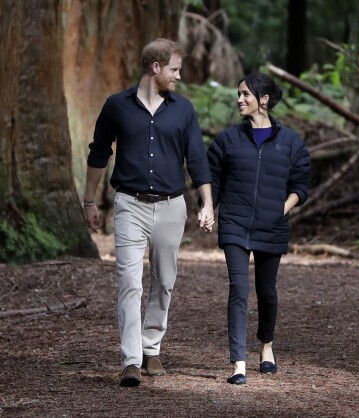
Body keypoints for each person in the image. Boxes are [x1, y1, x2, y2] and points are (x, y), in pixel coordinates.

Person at [82, 38, 215, 387]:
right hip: (129, 205)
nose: (179, 76)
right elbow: (98, 153)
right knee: (129, 283)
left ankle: (150, 348)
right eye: (175, 69)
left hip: (172, 206)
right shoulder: (116, 106)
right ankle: (130, 361)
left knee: (164, 282)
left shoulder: (183, 110)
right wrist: (89, 201)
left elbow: (197, 159)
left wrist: (207, 203)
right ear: (155, 68)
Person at [207, 73, 311, 385]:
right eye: (238, 94)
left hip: (272, 225)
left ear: (263, 99)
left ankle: (266, 345)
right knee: (238, 290)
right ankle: (238, 363)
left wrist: (282, 208)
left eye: (245, 94)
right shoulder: (227, 140)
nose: (239, 99)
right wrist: (207, 208)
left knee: (267, 292)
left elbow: (301, 184)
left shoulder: (290, 142)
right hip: (235, 223)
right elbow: (210, 179)